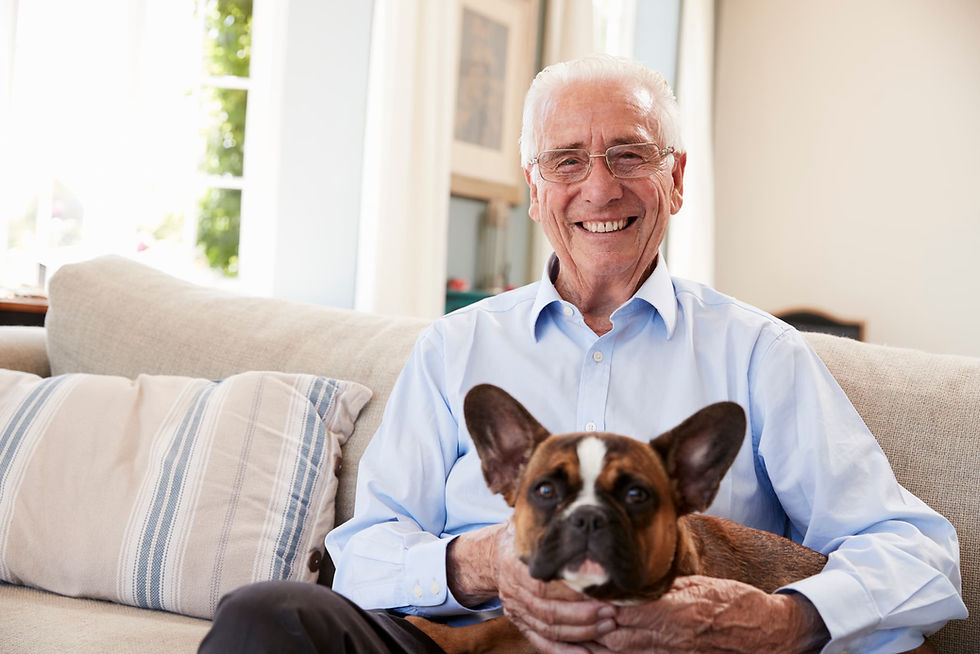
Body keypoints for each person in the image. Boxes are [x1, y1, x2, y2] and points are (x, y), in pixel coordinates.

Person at [200, 55, 966, 653]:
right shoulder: (458, 347)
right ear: (534, 188)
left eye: (629, 155)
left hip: (676, 649)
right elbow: (363, 555)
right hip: (481, 636)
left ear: (676, 178)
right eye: (567, 161)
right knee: (269, 619)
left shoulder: (759, 351)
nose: (599, 188)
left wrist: (780, 622)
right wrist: (480, 564)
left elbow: (919, 555)